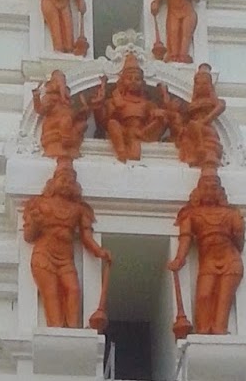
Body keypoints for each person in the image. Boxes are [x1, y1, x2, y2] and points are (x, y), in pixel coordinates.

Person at [22, 160, 112, 328]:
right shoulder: (40, 204)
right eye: (63, 178)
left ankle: (72, 328)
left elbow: (86, 236)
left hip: (65, 258)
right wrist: (35, 222)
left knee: (73, 290)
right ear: (54, 181)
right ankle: (56, 329)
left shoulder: (78, 209)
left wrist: (99, 251)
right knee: (52, 292)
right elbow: (28, 236)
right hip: (44, 254)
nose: (67, 183)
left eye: (71, 180)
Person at [168, 172, 244, 335]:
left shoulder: (231, 214)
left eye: (213, 188)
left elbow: (239, 241)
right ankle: (203, 330)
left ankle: (219, 330)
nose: (209, 191)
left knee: (224, 299)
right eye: (205, 188)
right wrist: (179, 259)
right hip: (208, 260)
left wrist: (238, 226)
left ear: (219, 192)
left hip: (231, 260)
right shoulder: (192, 214)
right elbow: (185, 238)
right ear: (199, 191)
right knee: (204, 296)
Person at [95, 54, 167, 161]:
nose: (133, 81)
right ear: (122, 81)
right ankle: (121, 150)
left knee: (162, 117)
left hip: (142, 132)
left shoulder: (146, 103)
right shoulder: (115, 100)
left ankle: (135, 139)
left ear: (142, 83)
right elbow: (104, 121)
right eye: (129, 78)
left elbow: (156, 116)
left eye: (137, 79)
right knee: (112, 124)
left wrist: (158, 114)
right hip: (124, 130)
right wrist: (115, 108)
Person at [164, 64, 225, 168]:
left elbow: (221, 106)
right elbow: (180, 115)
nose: (201, 86)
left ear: (210, 86)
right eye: (198, 84)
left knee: (193, 125)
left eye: (205, 83)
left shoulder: (211, 100)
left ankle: (200, 147)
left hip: (206, 127)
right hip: (193, 128)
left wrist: (206, 120)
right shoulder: (192, 103)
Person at [32, 70, 102, 159]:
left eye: (62, 83)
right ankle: (65, 140)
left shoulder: (69, 103)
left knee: (82, 125)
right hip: (55, 123)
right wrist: (36, 96)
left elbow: (78, 115)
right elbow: (40, 110)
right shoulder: (50, 99)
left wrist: (84, 108)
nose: (61, 85)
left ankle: (69, 141)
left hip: (68, 125)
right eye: (58, 82)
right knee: (66, 119)